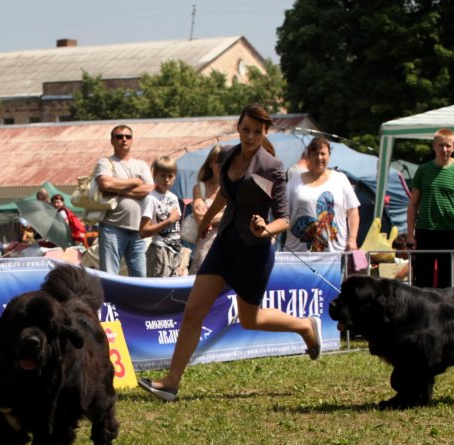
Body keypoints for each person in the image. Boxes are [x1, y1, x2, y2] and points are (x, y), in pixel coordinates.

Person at [137, 104, 322, 402]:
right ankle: (171, 381)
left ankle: (304, 325)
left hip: (254, 252)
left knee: (250, 319)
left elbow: (284, 218)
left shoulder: (271, 166)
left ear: (264, 133)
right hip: (224, 244)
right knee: (194, 310)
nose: (250, 136)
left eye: (257, 132)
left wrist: (266, 228)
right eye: (246, 129)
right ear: (238, 127)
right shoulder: (225, 156)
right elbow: (225, 192)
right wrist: (208, 218)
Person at [406, 128, 454, 288]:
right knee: (422, 280)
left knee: (447, 281)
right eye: (441, 145)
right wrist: (410, 234)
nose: (444, 149)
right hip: (424, 231)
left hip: (448, 232)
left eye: (448, 146)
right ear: (434, 146)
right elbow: (413, 204)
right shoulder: (423, 170)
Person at [284, 135, 360, 261]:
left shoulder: (340, 179)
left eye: (323, 153)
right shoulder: (294, 181)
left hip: (335, 256)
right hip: (299, 256)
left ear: (329, 155)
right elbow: (283, 214)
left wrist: (352, 239)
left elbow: (353, 212)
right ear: (309, 156)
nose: (319, 158)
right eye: (315, 154)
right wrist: (270, 237)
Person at [94, 124, 154, 277]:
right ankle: (108, 302)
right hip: (112, 227)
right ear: (112, 141)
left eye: (128, 136)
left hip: (139, 229)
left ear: (132, 140)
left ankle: (138, 302)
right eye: (119, 137)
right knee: (109, 274)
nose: (124, 139)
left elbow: (149, 189)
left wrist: (117, 189)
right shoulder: (105, 162)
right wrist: (134, 181)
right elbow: (105, 184)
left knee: (140, 277)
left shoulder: (141, 165)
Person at [139, 156, 181, 277]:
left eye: (170, 176)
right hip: (159, 250)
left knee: (173, 289)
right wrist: (168, 221)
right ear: (155, 175)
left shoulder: (173, 197)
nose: (166, 180)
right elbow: (143, 231)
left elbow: (177, 226)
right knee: (159, 290)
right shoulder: (151, 199)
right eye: (163, 176)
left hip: (175, 250)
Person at [189, 144, 225, 274]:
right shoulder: (199, 188)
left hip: (227, 244)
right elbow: (200, 219)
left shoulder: (233, 188)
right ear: (210, 163)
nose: (221, 165)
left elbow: (235, 215)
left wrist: (208, 218)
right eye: (217, 161)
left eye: (224, 161)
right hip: (204, 245)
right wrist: (225, 215)